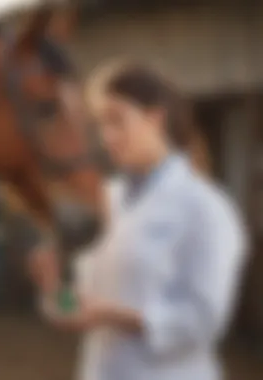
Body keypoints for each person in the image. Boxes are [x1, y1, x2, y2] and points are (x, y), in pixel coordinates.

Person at [40, 62, 249, 380]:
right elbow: (80, 304)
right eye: (101, 125)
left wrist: (110, 315)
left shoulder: (206, 208)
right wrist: (54, 288)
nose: (107, 136)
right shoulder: (104, 201)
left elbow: (203, 321)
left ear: (155, 118)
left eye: (117, 121)